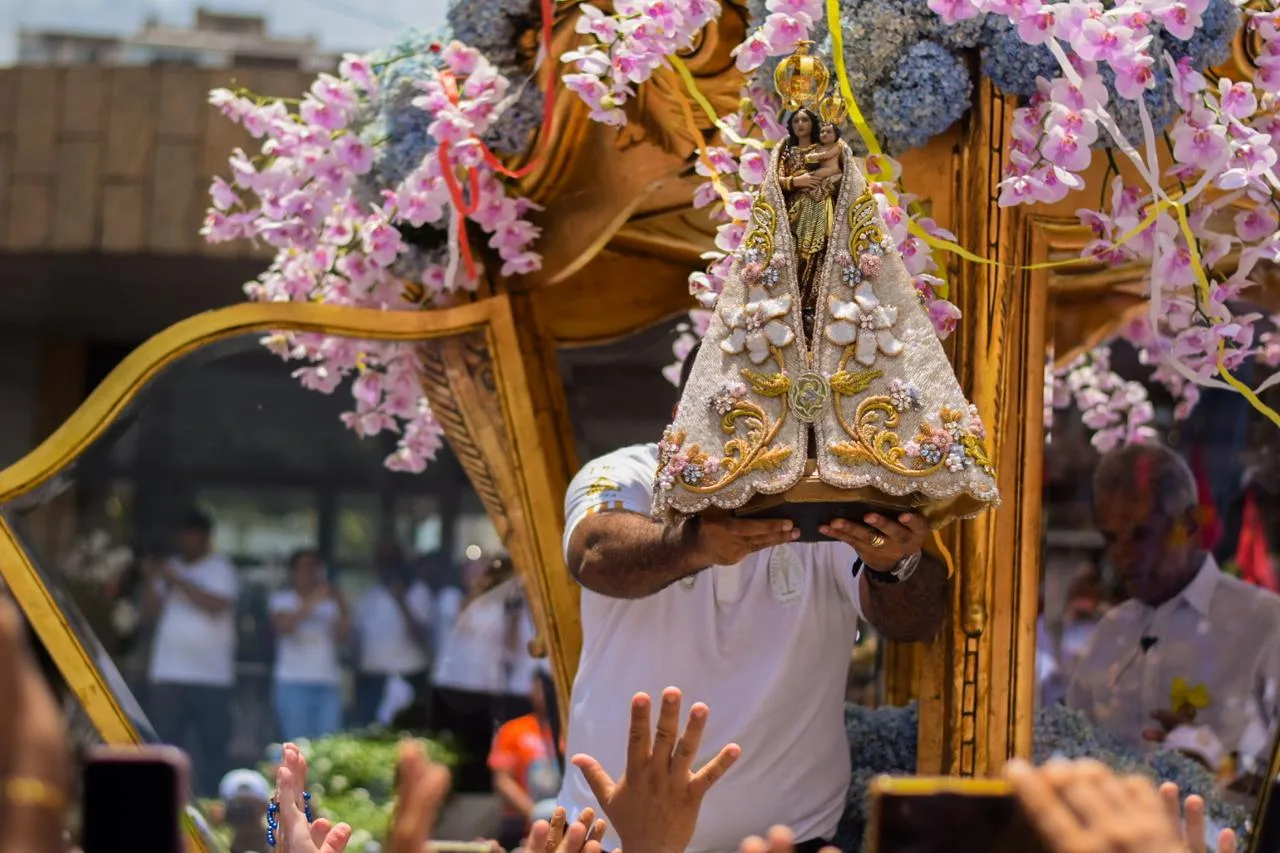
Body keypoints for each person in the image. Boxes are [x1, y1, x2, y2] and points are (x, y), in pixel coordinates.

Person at [555, 342, 948, 853]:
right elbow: (593, 553)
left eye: (774, 408)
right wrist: (693, 545)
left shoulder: (833, 491)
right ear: (681, 420)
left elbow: (912, 618)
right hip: (609, 842)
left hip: (794, 841)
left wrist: (894, 563)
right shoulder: (628, 474)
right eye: (732, 412)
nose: (755, 433)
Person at [1067, 442, 1280, 779]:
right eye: (1111, 538)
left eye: (1140, 535)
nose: (1123, 554)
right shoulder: (1110, 634)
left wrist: (1224, 766)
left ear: (1191, 526)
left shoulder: (1264, 624)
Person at [142, 509, 240, 798]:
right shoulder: (169, 568)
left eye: (192, 535)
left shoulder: (221, 569)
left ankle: (211, 801)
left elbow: (217, 605)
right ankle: (167, 800)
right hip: (168, 674)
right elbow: (148, 614)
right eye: (182, 535)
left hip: (211, 676)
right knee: (166, 743)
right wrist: (152, 579)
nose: (185, 541)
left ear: (206, 538)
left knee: (212, 744)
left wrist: (176, 579)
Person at [431, 558, 535, 793]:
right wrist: (480, 588)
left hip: (488, 686)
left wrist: (514, 610)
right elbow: (462, 619)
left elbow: (511, 648)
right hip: (452, 683)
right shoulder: (450, 597)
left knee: (479, 753)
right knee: (449, 750)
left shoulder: (503, 607)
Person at [269, 548, 350, 741]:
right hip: (292, 682)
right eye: (305, 567)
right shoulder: (281, 599)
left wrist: (343, 605)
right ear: (293, 572)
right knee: (297, 745)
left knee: (327, 746)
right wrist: (314, 599)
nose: (310, 572)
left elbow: (344, 638)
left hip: (327, 683)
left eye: (315, 567)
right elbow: (285, 627)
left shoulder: (330, 604)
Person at [352, 540, 433, 728]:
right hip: (372, 681)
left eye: (391, 560)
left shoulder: (418, 592)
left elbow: (422, 637)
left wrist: (401, 600)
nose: (386, 566)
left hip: (407, 677)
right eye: (382, 560)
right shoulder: (369, 594)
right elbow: (357, 637)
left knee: (407, 739)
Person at [490, 666, 563, 850]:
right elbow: (502, 780)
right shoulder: (513, 730)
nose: (546, 693)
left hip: (564, 818)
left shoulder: (570, 731)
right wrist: (533, 812)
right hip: (520, 822)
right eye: (541, 687)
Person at [217, 768, 272, 853]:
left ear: (265, 807)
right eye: (237, 806)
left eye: (249, 806)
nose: (243, 813)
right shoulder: (217, 844)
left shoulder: (279, 844)